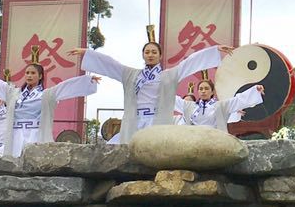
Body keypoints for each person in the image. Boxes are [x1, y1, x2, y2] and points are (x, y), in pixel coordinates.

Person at [69, 42, 232, 144]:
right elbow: (111, 64)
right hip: (135, 121)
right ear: (143, 55)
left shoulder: (168, 75)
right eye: (147, 52)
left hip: (157, 121)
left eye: (154, 52)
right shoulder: (131, 74)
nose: (150, 55)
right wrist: (87, 53)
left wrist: (214, 50)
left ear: (160, 56)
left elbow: (190, 63)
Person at [0, 66, 99, 157]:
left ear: (40, 76)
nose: (29, 75)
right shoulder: (13, 94)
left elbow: (65, 87)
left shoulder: (46, 95)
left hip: (34, 134)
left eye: (33, 73)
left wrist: (87, 81)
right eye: (27, 73)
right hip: (14, 135)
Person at [175, 79, 265, 131]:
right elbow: (173, 100)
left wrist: (254, 90)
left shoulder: (220, 106)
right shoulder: (190, 106)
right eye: (200, 89)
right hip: (194, 140)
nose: (203, 91)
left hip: (214, 140)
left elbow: (238, 100)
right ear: (198, 91)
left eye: (206, 88)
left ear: (212, 91)